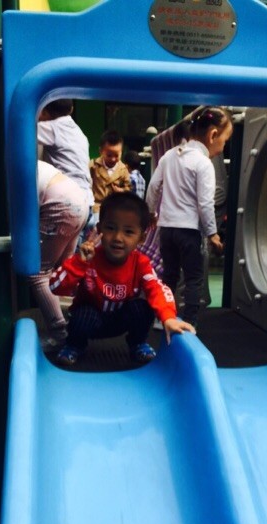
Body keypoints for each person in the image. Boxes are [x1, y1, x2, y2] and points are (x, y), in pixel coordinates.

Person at [49, 192, 195, 366]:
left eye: (128, 232)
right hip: (91, 320)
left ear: (141, 238)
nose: (118, 238)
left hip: (120, 320)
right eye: (110, 228)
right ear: (99, 229)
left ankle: (137, 343)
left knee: (142, 307)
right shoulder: (87, 258)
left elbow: (157, 288)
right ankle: (75, 345)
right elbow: (55, 287)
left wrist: (168, 317)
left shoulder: (140, 263)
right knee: (83, 314)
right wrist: (79, 263)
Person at [146, 106, 233, 328]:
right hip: (189, 231)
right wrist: (213, 233)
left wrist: (151, 213)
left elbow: (153, 187)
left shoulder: (168, 156)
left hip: (166, 229)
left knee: (169, 276)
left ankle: (162, 318)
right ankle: (189, 323)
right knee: (194, 279)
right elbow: (205, 204)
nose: (223, 147)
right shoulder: (203, 163)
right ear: (213, 135)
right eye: (225, 141)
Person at [28, 160, 88, 351]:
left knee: (38, 273)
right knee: (66, 269)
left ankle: (59, 333)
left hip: (61, 203)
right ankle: (81, 319)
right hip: (78, 197)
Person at [37, 99, 95, 235]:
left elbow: (22, 131)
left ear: (44, 112)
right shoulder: (79, 133)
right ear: (72, 109)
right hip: (87, 202)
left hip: (69, 203)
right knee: (76, 248)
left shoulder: (52, 128)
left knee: (46, 247)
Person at [89, 130, 132, 216]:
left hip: (115, 208)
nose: (113, 159)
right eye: (109, 155)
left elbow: (129, 188)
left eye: (116, 155)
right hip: (97, 208)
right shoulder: (93, 165)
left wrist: (122, 191)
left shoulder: (123, 169)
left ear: (121, 152)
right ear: (101, 151)